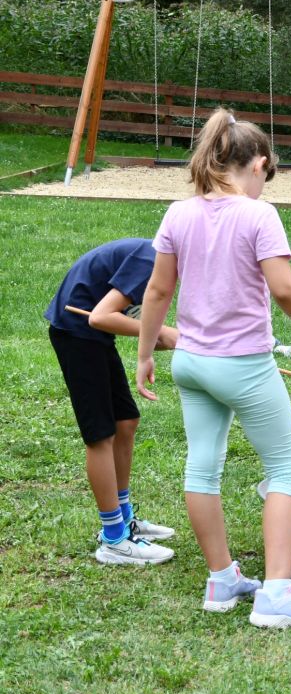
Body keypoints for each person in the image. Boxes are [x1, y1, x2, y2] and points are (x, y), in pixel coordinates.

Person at [136, 108, 291, 628]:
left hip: (190, 363)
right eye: (264, 179)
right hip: (242, 365)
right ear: (259, 165)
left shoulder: (177, 213)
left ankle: (222, 578)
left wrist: (143, 355)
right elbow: (285, 288)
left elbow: (158, 291)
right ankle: (276, 595)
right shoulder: (257, 215)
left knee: (203, 466)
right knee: (286, 469)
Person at [47, 239, 180, 566]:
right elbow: (100, 316)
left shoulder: (165, 261)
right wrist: (159, 331)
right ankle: (114, 539)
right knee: (101, 434)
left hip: (93, 336)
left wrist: (162, 338)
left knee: (126, 421)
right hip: (75, 331)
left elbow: (139, 322)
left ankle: (124, 518)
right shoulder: (152, 261)